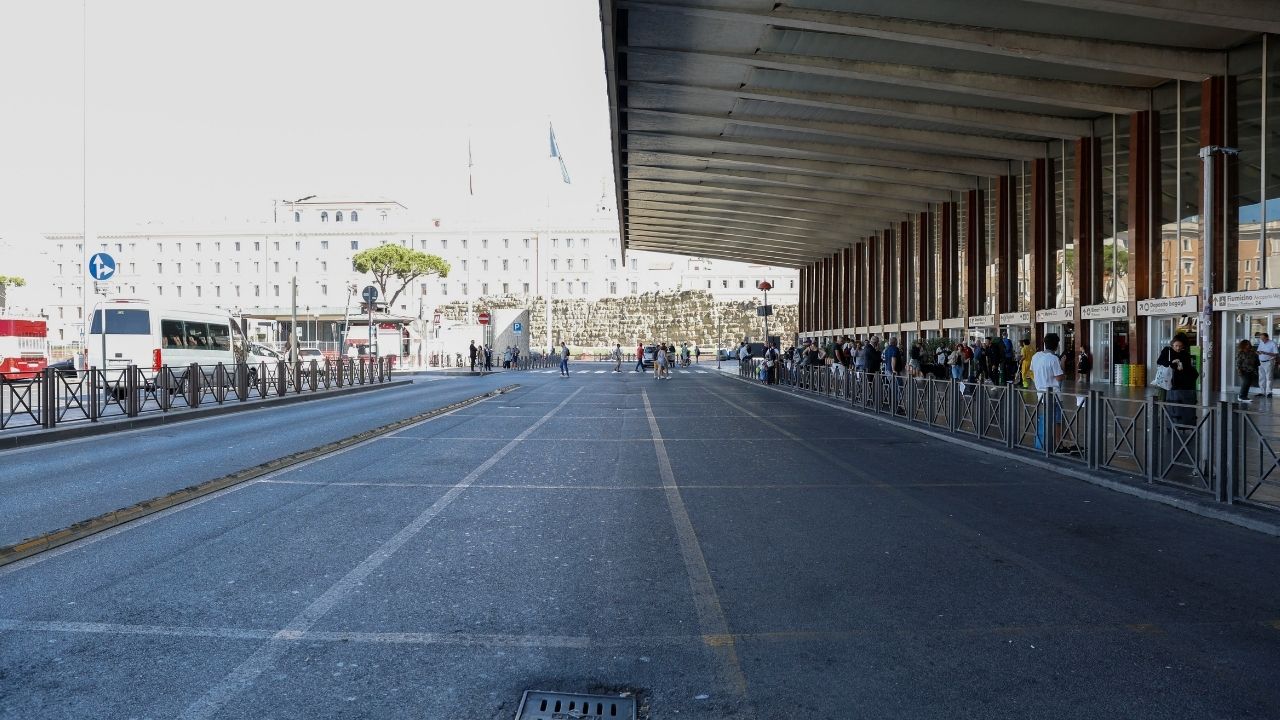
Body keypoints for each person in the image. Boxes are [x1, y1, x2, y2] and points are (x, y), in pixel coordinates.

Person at [1031, 333, 1072, 453]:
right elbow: (1059, 377)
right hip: (1054, 395)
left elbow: (1033, 371)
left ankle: (1067, 442)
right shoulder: (1053, 359)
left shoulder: (1036, 356)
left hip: (1041, 394)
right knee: (1058, 420)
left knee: (1053, 419)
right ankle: (1058, 445)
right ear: (1056, 345)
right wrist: (1063, 365)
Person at [1157, 333, 1198, 424]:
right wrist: (1171, 362)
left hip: (1178, 383)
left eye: (1180, 346)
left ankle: (1177, 420)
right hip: (1166, 381)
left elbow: (1188, 367)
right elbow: (1159, 361)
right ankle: (1159, 420)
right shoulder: (1166, 350)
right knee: (1162, 400)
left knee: (1177, 401)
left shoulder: (1185, 354)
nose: (1178, 348)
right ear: (1172, 344)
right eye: (1176, 346)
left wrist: (1182, 367)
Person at [1257, 332, 1277, 398]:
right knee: (1261, 377)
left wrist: (1265, 353)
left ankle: (1269, 392)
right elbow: (1258, 351)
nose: (1262, 340)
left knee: (1269, 377)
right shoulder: (1261, 343)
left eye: (1263, 338)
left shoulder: (1272, 343)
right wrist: (1258, 353)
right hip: (1261, 362)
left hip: (1269, 362)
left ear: (1267, 337)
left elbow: (1276, 354)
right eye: (1261, 338)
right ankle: (1262, 392)